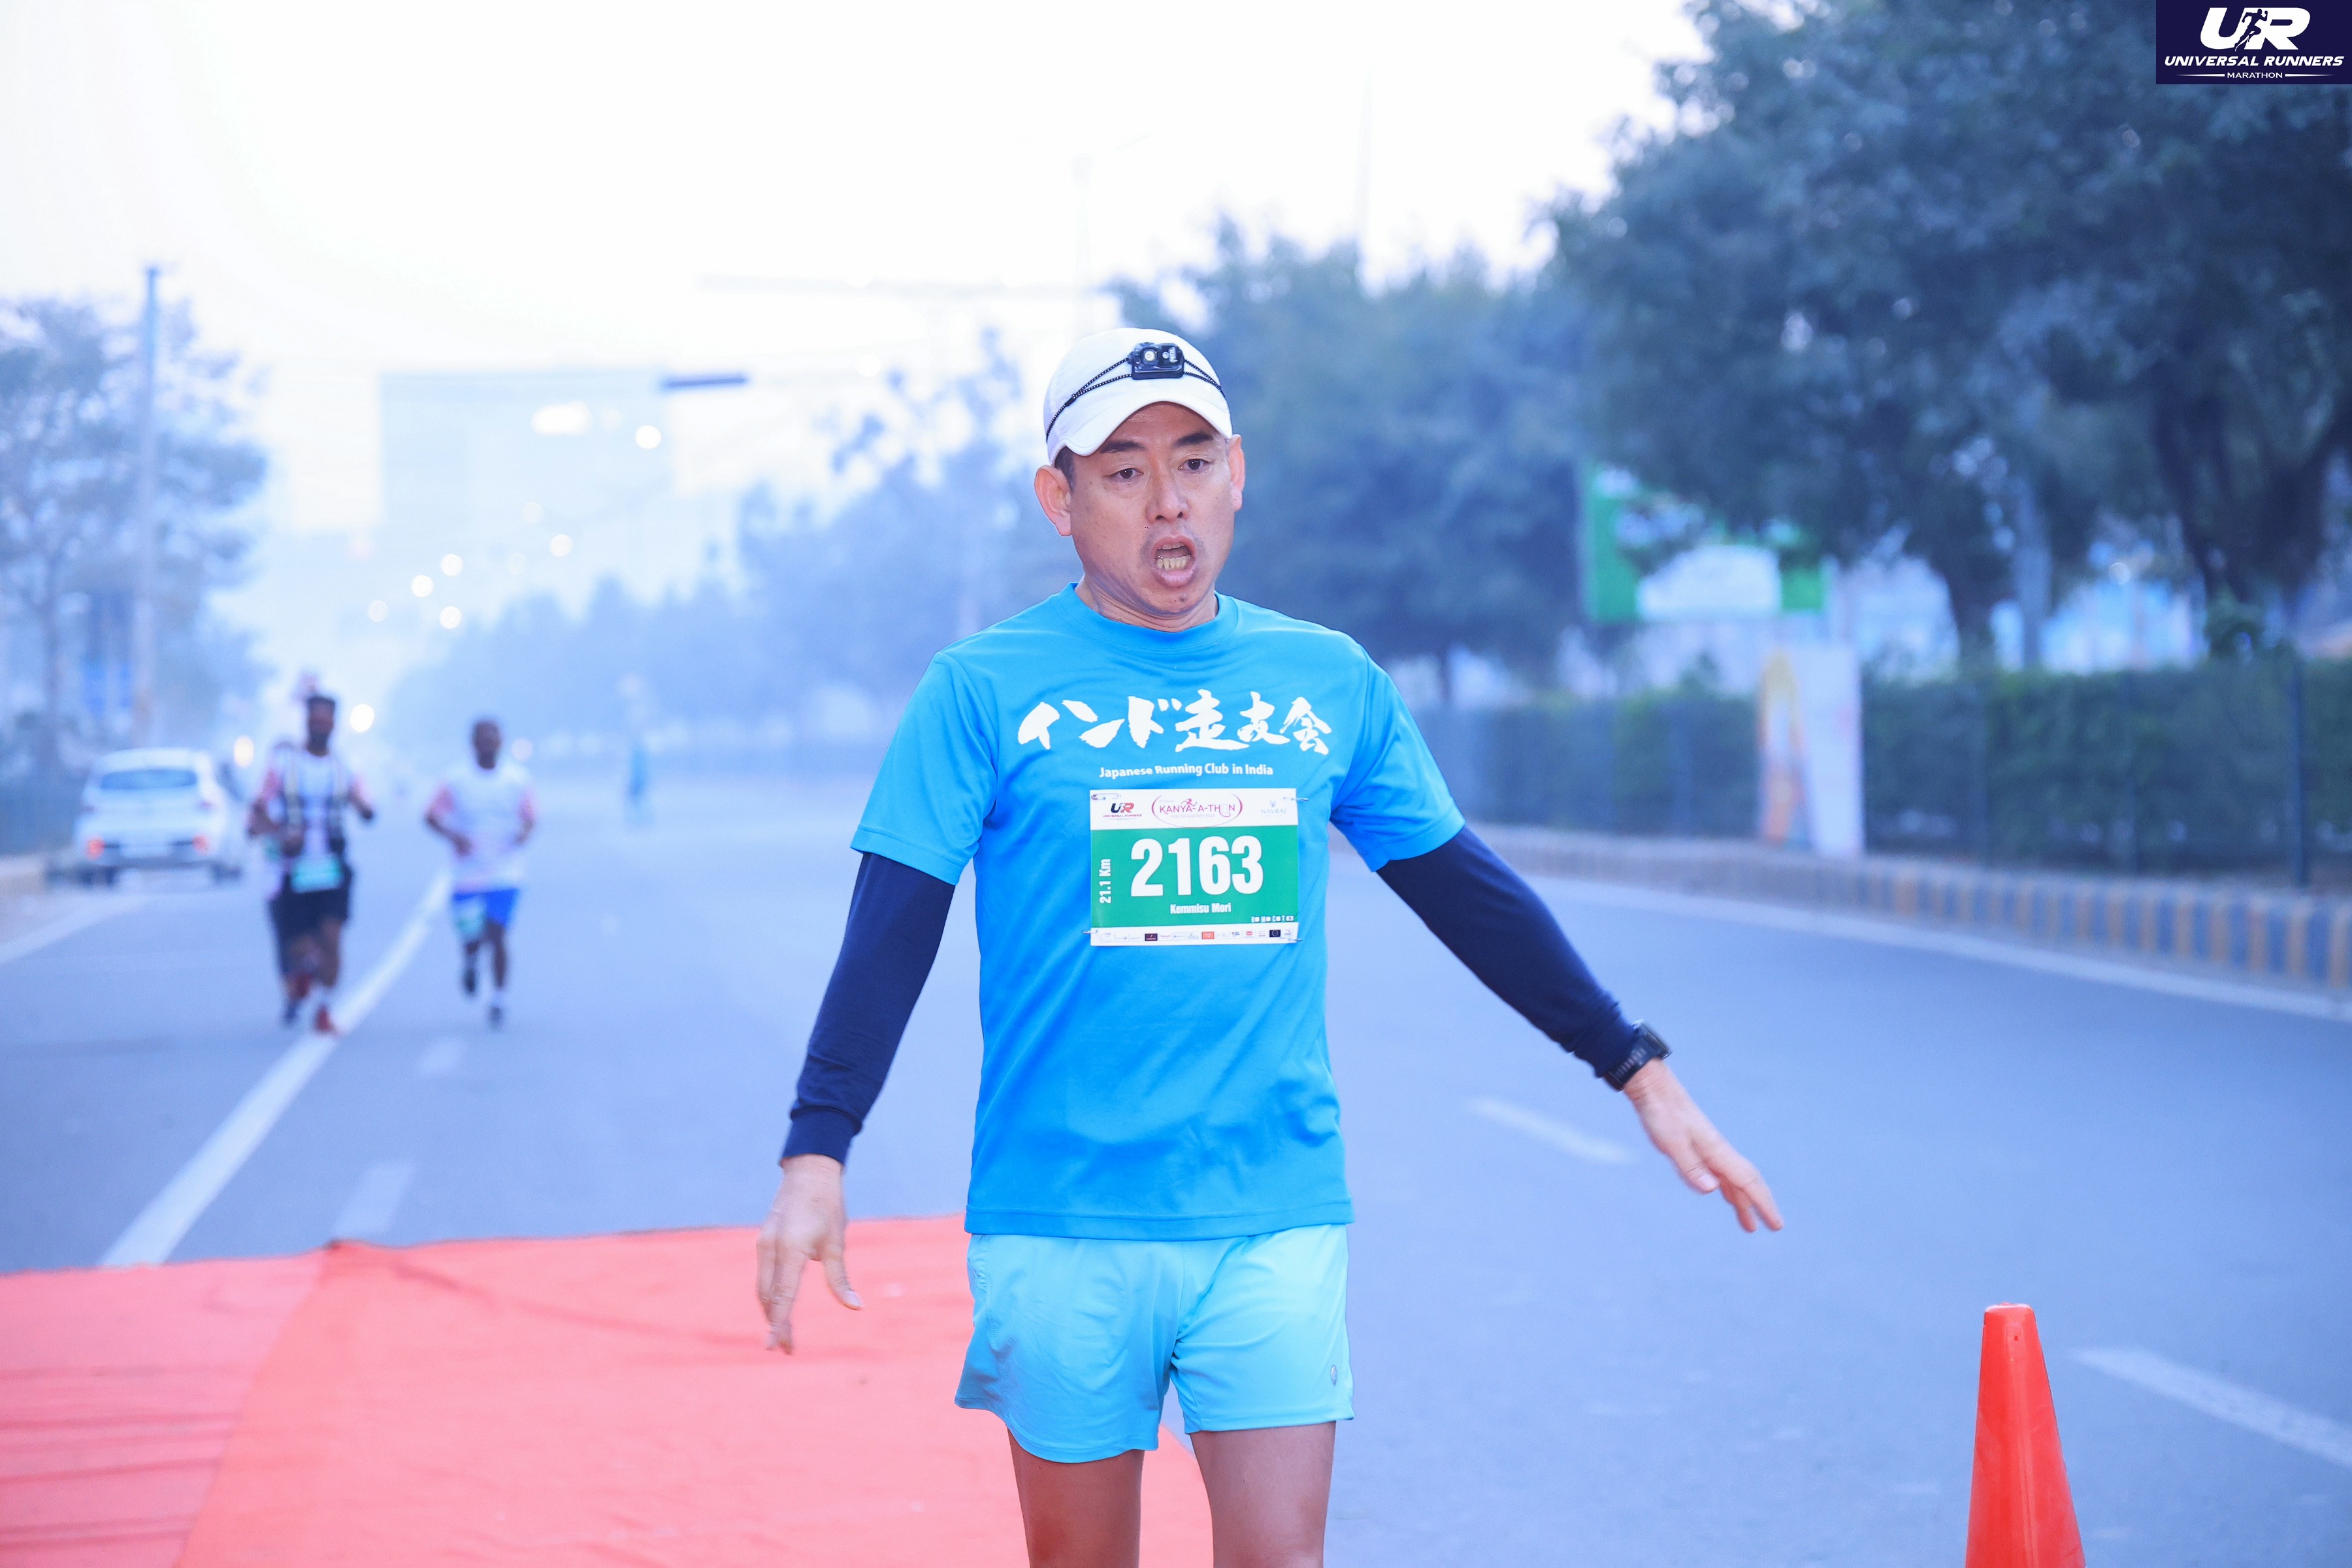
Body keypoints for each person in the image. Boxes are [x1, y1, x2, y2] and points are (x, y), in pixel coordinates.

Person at [755, 328, 1782, 1568]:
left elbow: (1468, 894)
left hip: (1270, 1208)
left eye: (1193, 461)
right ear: (1059, 501)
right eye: (1123, 471)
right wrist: (818, 1149)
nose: (1167, 499)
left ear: (1236, 474)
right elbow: (890, 934)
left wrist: (1636, 1066)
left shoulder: (1323, 682)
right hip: (1064, 1213)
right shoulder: (982, 691)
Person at [248, 694, 375, 1034]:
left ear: (335, 723)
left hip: (332, 865)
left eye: (326, 719)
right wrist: (282, 835)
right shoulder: (284, 766)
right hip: (293, 869)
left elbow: (365, 804)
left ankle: (325, 1008)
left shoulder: (345, 766)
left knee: (332, 938)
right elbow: (257, 812)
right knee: (300, 945)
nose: (320, 725)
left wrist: (363, 807)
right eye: (315, 718)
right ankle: (303, 972)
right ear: (306, 721)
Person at [424, 717, 536, 1028]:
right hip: (468, 872)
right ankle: (471, 959)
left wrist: (523, 835)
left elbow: (530, 817)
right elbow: (431, 815)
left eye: (493, 737)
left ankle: (499, 998)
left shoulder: (517, 779)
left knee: (498, 933)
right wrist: (454, 837)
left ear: (501, 742)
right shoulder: (456, 780)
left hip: (505, 870)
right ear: (473, 743)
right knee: (472, 936)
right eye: (482, 738)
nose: (488, 743)